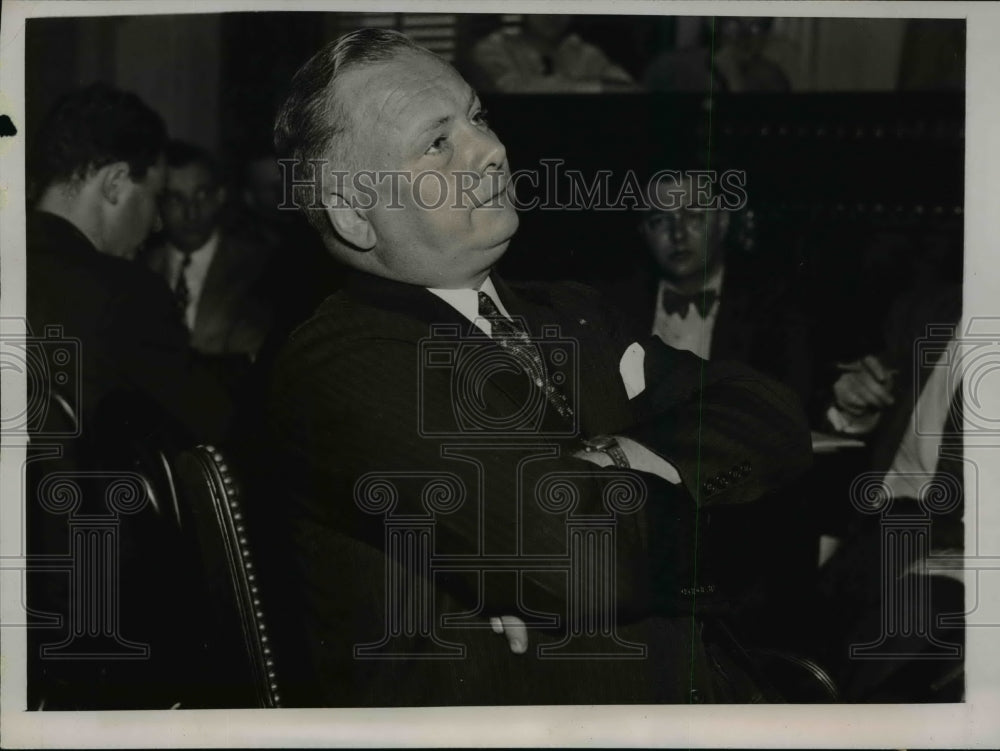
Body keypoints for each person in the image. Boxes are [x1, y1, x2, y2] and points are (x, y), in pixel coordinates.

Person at [264, 28, 812, 706]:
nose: (492, 150)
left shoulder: (576, 310)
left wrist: (617, 458)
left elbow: (772, 413)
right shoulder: (340, 363)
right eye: (439, 143)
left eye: (479, 116)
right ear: (354, 215)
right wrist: (692, 512)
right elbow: (581, 559)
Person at [27, 85, 232, 445]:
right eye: (155, 196)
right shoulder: (127, 293)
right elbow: (216, 426)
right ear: (116, 183)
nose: (156, 223)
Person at [608, 169, 811, 404]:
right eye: (660, 220)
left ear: (722, 221)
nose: (678, 234)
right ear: (643, 231)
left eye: (693, 215)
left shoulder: (772, 304)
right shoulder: (614, 306)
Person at [141, 140, 272, 359]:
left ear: (220, 196)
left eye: (201, 195)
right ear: (158, 204)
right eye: (176, 199)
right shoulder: (139, 267)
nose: (191, 213)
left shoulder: (260, 266)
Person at [471, 14, 636, 93]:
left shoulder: (584, 52)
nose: (553, 14)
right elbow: (509, 91)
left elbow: (629, 89)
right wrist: (597, 87)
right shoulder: (493, 48)